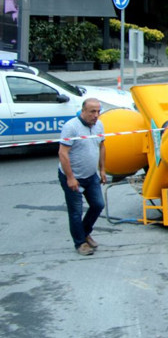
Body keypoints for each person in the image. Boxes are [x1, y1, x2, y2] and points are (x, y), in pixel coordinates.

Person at [58, 98, 106, 255]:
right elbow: (63, 153)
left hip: (91, 175)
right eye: (92, 111)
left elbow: (102, 146)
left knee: (98, 205)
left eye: (98, 111)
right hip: (73, 176)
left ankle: (85, 233)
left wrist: (103, 170)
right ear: (83, 111)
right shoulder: (71, 127)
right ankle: (80, 243)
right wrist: (70, 178)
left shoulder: (99, 125)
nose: (96, 115)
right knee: (76, 211)